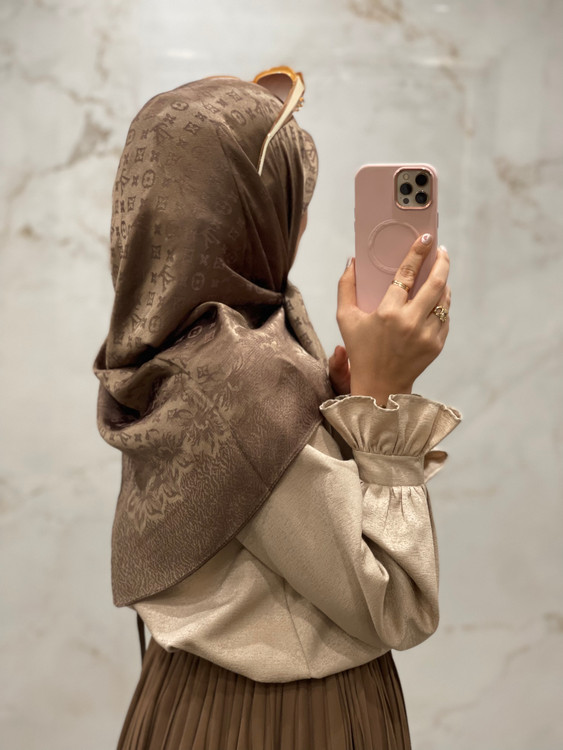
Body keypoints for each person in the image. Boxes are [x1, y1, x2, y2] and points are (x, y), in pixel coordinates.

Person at [92, 66, 462, 750]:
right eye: (291, 197)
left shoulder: (169, 348)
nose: (300, 217)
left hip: (187, 701)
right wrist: (386, 401)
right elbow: (398, 604)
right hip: (286, 722)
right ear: (250, 213)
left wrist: (335, 399)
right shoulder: (243, 379)